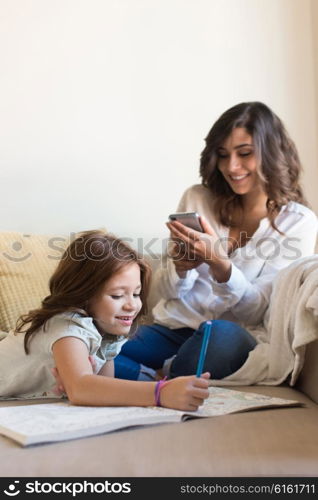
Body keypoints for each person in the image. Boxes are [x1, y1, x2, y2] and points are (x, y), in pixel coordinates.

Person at [114, 101, 318, 382]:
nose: (231, 167)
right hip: (174, 328)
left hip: (231, 336)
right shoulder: (197, 198)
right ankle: (159, 381)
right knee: (97, 346)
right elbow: (161, 294)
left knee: (218, 333)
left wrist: (221, 266)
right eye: (223, 155)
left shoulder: (299, 223)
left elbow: (259, 310)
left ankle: (157, 377)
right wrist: (181, 267)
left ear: (271, 153)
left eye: (244, 154)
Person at [0, 230, 210, 411]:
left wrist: (91, 385)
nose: (132, 305)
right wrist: (160, 393)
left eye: (136, 294)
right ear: (83, 295)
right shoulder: (66, 326)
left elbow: (103, 388)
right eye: (117, 296)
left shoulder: (106, 332)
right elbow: (81, 388)